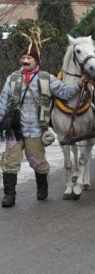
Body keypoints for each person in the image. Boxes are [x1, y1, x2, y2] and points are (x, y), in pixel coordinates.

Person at [0, 42, 86, 207]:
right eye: (24, 57)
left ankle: (42, 186)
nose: (25, 60)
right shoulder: (12, 78)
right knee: (10, 162)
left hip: (37, 130)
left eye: (29, 57)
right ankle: (9, 195)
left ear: (36, 61)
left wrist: (79, 84)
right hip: (15, 130)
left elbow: (65, 92)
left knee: (37, 161)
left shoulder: (47, 78)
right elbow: (3, 102)